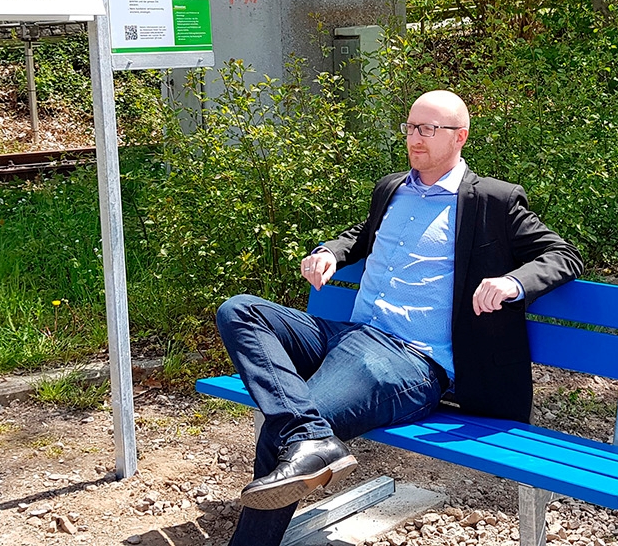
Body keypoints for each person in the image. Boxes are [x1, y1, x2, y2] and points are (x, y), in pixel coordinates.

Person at [214, 89, 584, 546]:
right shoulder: (392, 188)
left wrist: (514, 282)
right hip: (349, 336)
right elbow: (364, 234)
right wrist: (330, 251)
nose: (416, 138)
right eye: (411, 127)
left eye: (429, 129)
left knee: (282, 430)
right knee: (240, 310)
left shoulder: (492, 200)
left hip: (407, 361)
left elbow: (562, 254)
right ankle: (311, 437)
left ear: (460, 137)